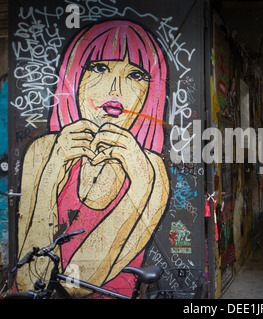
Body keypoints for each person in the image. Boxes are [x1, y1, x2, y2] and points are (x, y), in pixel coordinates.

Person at [15, 20, 170, 297]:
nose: (115, 88)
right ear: (75, 79)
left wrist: (140, 180)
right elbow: (29, 280)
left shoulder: (150, 170)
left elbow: (77, 284)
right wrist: (53, 167)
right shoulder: (44, 150)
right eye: (99, 68)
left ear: (151, 92)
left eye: (135, 75)